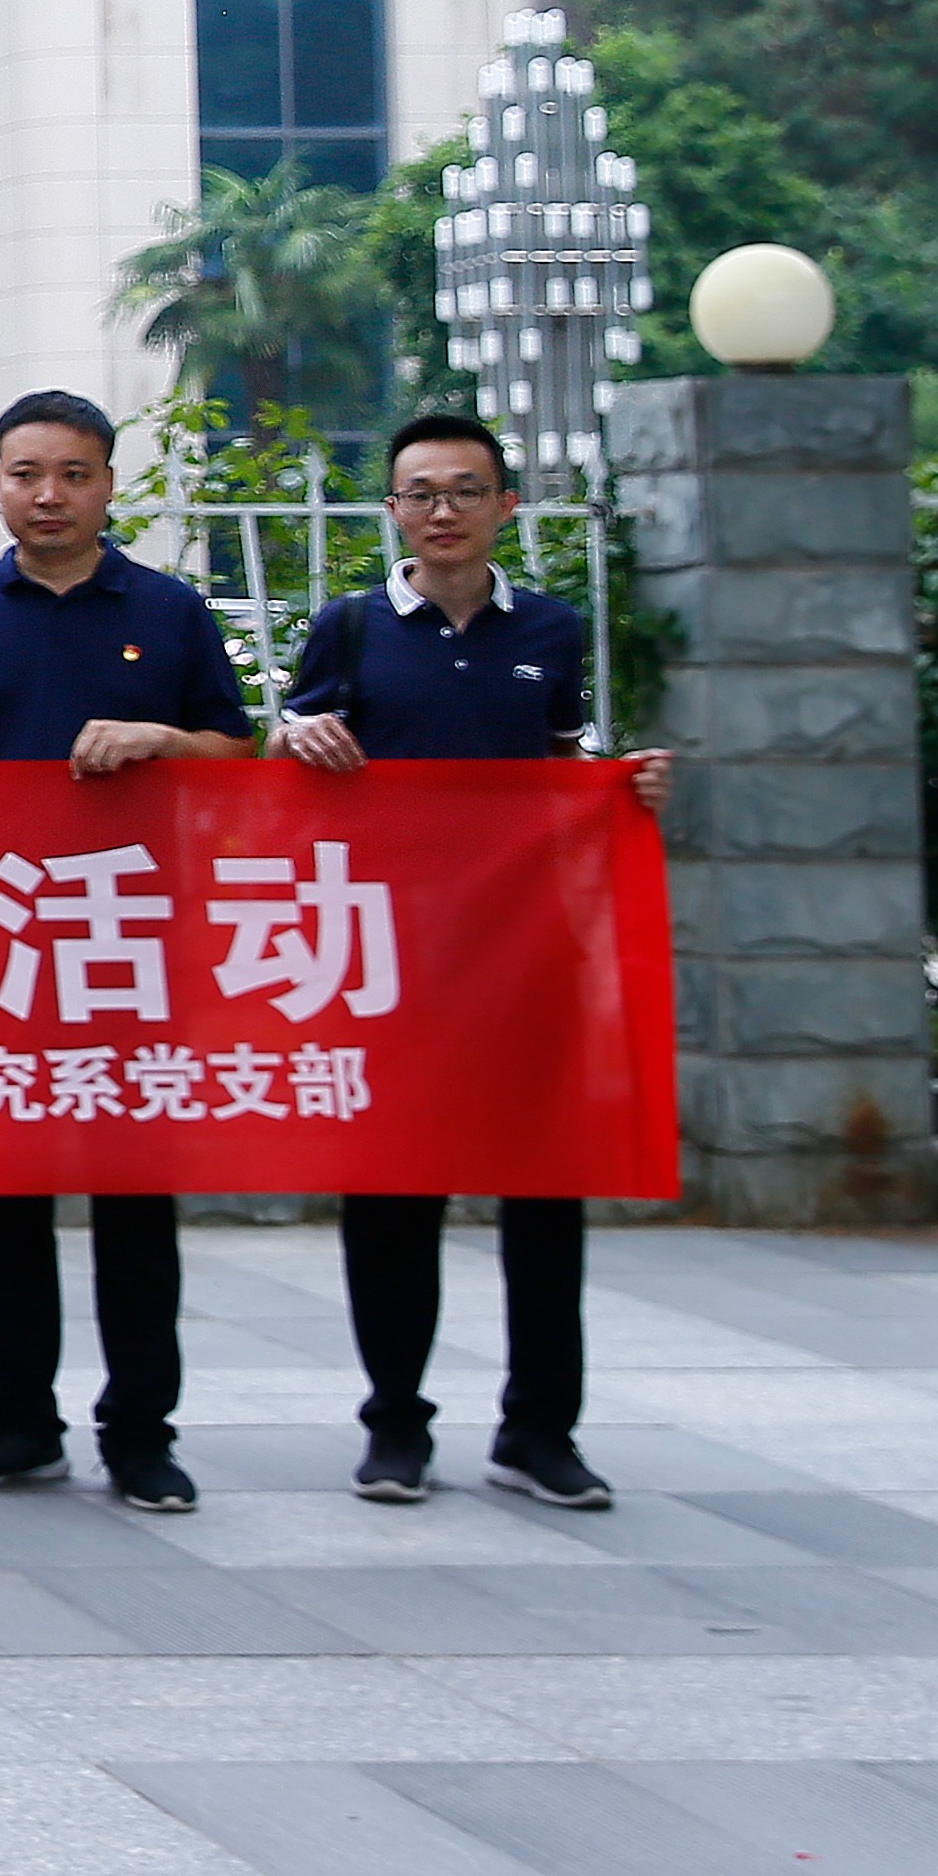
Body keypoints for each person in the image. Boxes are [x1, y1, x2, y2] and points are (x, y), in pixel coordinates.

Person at [279, 410, 671, 1511]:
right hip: (390, 962)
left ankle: (540, 1430)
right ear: (392, 510)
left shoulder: (549, 627)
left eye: (464, 491)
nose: (442, 511)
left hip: (522, 956)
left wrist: (626, 787)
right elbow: (285, 768)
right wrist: (293, 737)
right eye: (421, 493)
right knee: (391, 1198)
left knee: (544, 1197)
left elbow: (562, 764)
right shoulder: (351, 629)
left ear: (506, 506)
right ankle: (394, 1425)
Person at [0, 388, 259, 1516]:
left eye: (73, 474)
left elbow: (237, 755)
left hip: (133, 945)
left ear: (107, 485)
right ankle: (18, 1418)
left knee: (135, 1200)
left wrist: (162, 739)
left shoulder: (168, 610)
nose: (49, 495)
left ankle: (141, 1431)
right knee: (8, 1197)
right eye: (26, 473)